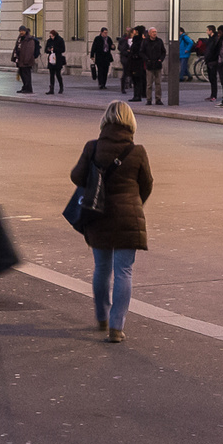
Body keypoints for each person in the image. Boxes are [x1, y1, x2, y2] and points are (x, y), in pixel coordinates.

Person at [69, 100, 153, 343]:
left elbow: (76, 177)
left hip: (98, 216)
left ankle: (102, 317)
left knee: (102, 268)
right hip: (129, 218)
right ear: (130, 122)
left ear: (105, 120)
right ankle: (117, 327)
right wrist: (134, 204)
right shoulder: (137, 151)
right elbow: (147, 185)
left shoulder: (92, 147)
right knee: (124, 271)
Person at [142, 25, 166, 105]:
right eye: (153, 32)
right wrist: (147, 59)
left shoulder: (159, 41)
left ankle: (158, 99)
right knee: (149, 84)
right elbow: (141, 52)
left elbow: (163, 51)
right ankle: (149, 99)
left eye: (155, 32)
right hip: (149, 64)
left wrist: (160, 60)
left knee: (158, 83)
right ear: (149, 33)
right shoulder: (145, 41)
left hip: (158, 64)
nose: (154, 33)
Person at [10, 28, 37, 94]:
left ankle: (28, 89)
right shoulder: (20, 38)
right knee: (22, 74)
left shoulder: (29, 39)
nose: (21, 32)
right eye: (20, 31)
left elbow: (29, 51)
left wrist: (26, 60)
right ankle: (25, 87)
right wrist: (14, 57)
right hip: (20, 60)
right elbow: (16, 48)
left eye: (22, 31)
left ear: (25, 31)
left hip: (26, 61)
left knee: (27, 75)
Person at [44, 29, 67, 94]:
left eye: (52, 36)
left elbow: (63, 49)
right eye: (50, 36)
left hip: (58, 59)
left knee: (58, 74)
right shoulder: (49, 41)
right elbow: (46, 50)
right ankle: (51, 89)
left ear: (55, 35)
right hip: (51, 59)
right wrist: (49, 49)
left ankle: (61, 87)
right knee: (51, 74)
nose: (51, 37)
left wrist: (55, 49)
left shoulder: (60, 40)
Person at [117, 27, 135, 95]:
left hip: (132, 58)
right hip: (126, 59)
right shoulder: (124, 40)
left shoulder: (135, 40)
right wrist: (128, 52)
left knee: (133, 73)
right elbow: (122, 49)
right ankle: (123, 87)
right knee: (125, 73)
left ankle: (131, 84)